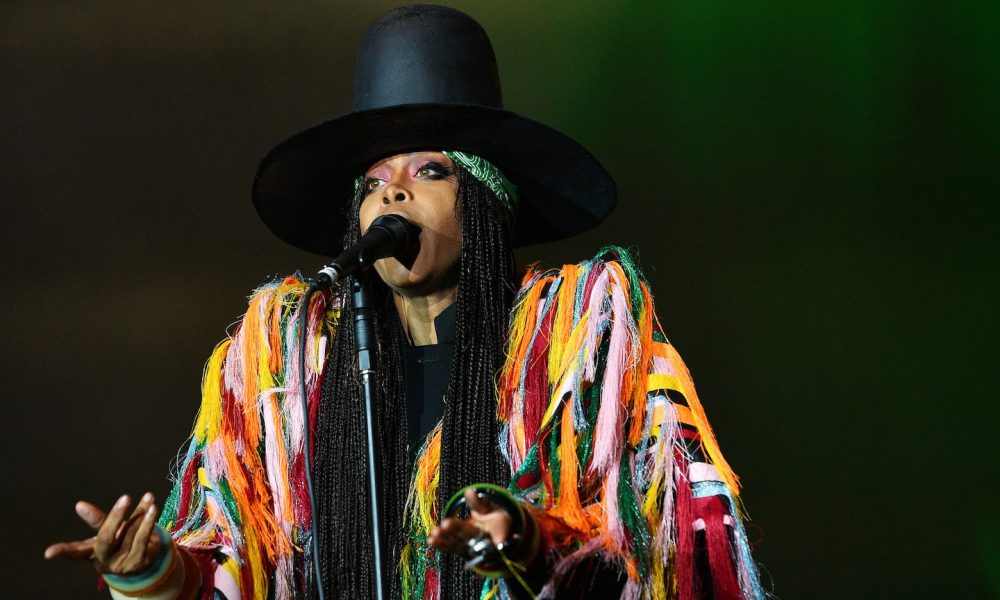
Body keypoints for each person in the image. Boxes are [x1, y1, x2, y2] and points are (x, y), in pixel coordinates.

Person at [45, 6, 768, 599]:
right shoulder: (290, 368)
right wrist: (152, 572)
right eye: (373, 182)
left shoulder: (583, 340)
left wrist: (530, 539)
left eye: (429, 171)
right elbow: (242, 560)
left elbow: (674, 551)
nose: (392, 192)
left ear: (486, 204)